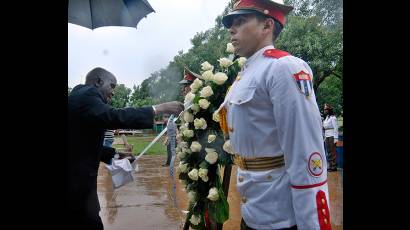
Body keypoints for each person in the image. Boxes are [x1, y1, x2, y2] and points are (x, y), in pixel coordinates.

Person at [220, 0, 331, 229]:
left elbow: (305, 150)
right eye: (231, 23)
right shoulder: (246, 73)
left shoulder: (283, 67)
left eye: (240, 21)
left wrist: (312, 224)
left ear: (267, 26)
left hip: (280, 214)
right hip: (253, 207)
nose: (231, 29)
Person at [68, 67, 184, 230]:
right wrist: (158, 108)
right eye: (112, 86)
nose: (113, 92)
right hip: (76, 186)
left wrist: (115, 154)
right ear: (98, 81)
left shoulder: (79, 97)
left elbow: (82, 145)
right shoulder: (87, 95)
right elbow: (115, 116)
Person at [323, 103, 338, 172]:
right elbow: (324, 127)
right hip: (327, 136)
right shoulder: (326, 118)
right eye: (324, 109)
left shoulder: (333, 118)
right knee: (328, 151)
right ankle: (330, 165)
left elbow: (335, 128)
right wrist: (325, 137)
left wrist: (336, 138)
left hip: (332, 136)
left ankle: (334, 166)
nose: (324, 110)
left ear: (329, 110)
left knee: (333, 152)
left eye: (325, 109)